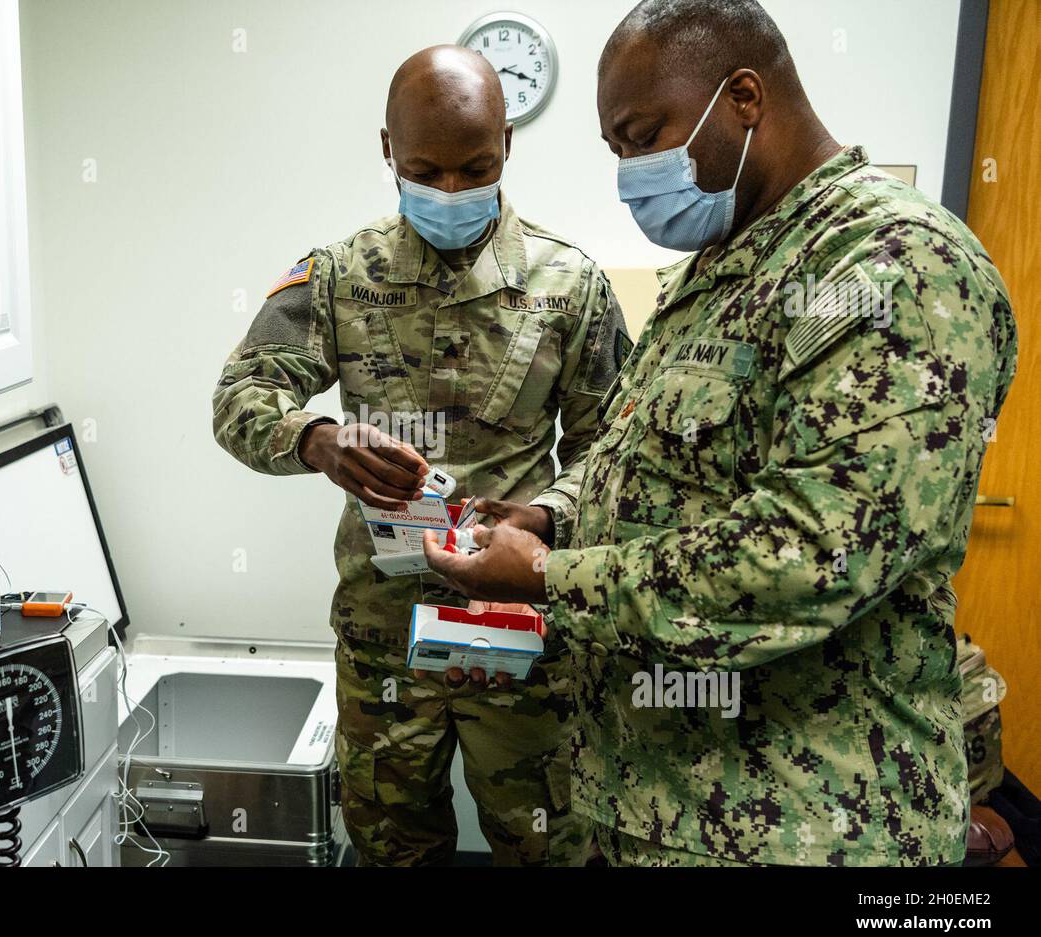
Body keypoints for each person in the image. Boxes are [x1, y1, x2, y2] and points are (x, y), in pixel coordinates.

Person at [424, 0, 1017, 866]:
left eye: (642, 134)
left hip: (801, 823)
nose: (630, 170)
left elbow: (814, 552)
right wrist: (547, 514)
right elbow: (640, 456)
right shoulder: (722, 265)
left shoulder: (887, 266)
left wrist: (551, 575)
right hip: (653, 802)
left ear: (743, 96)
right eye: (617, 149)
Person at [212, 45, 629, 865]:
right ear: (387, 152)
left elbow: (615, 451)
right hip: (384, 635)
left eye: (473, 167)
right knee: (392, 850)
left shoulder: (568, 283)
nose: (449, 191)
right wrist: (318, 440)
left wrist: (549, 514)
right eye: (424, 169)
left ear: (507, 143)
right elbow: (239, 397)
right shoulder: (339, 277)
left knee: (554, 849)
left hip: (520, 628)